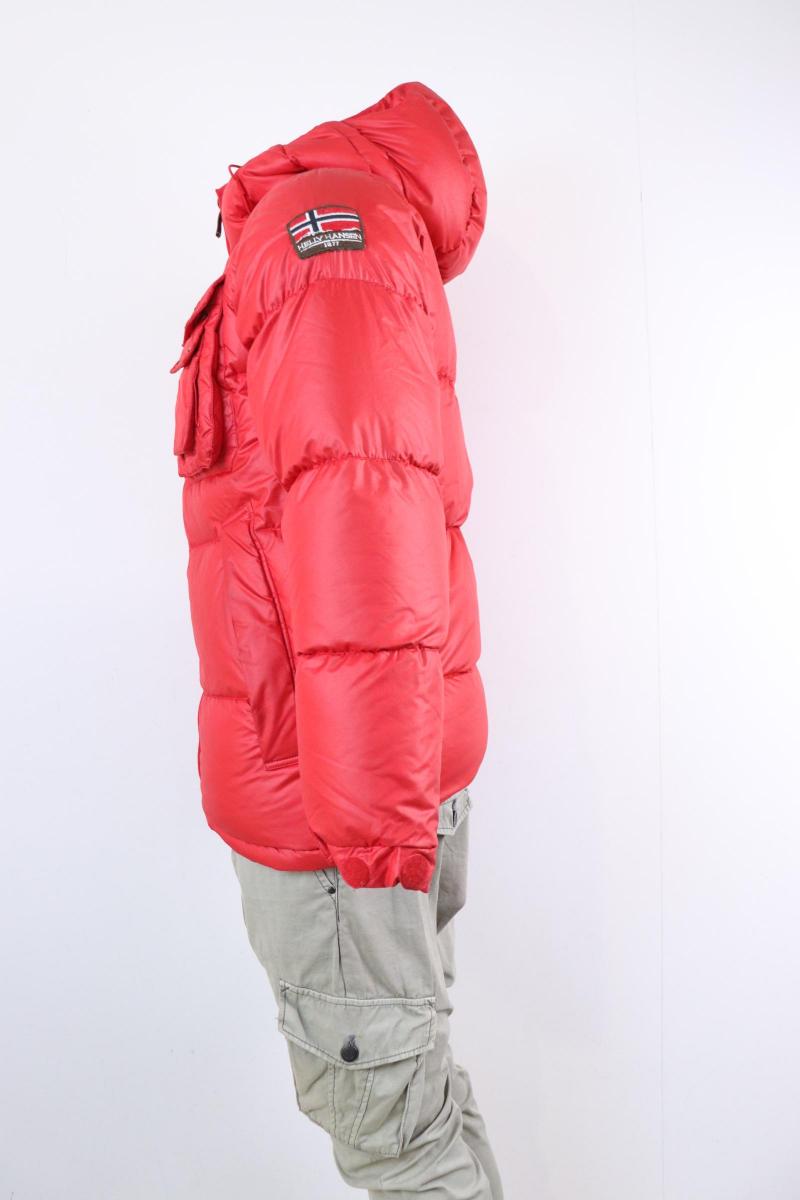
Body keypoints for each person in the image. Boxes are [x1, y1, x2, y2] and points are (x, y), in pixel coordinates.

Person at [170, 80, 502, 1200]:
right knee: (414, 1112)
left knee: (397, 1136)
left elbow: (365, 541)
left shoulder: (327, 238)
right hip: (351, 789)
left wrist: (370, 849)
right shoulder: (342, 236)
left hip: (336, 817)